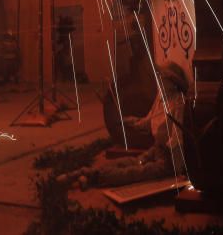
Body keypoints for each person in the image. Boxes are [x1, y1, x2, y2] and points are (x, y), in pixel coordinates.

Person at [57, 62, 189, 189]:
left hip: (168, 158)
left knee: (134, 172)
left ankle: (92, 177)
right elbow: (149, 121)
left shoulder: (178, 104)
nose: (158, 80)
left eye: (162, 77)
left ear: (173, 83)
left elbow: (178, 138)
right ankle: (83, 173)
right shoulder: (160, 98)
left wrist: (178, 167)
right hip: (156, 149)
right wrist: (133, 121)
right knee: (128, 162)